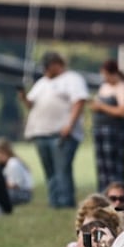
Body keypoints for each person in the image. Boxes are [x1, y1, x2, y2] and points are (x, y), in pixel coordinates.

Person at [20, 51, 88, 208]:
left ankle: (65, 202)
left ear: (57, 65)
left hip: (62, 133)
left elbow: (79, 101)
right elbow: (31, 103)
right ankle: (54, 201)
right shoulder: (42, 82)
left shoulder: (72, 79)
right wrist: (23, 96)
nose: (45, 70)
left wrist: (70, 125)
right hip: (41, 132)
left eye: (47, 67)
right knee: (50, 170)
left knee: (62, 170)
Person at [91, 59, 124, 189]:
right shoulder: (104, 87)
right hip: (100, 129)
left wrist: (102, 107)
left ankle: (117, 192)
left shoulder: (122, 87)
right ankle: (104, 191)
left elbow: (123, 111)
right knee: (102, 166)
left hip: (115, 131)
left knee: (113, 165)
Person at [0, 137, 34, 206]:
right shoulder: (6, 164)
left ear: (6, 152)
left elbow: (16, 185)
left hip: (23, 194)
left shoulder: (13, 163)